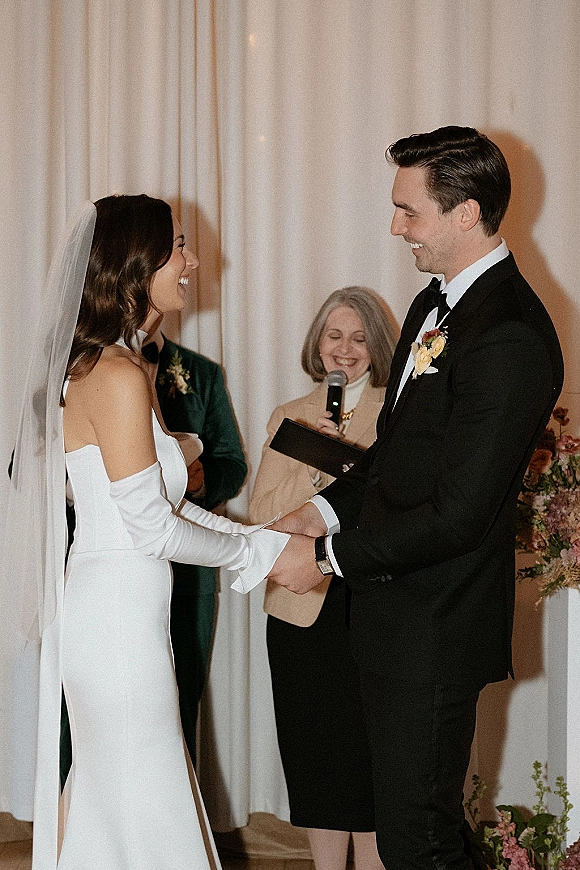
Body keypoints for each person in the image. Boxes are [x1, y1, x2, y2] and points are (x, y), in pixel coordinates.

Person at [266, 127, 564, 870]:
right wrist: (322, 510)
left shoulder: (510, 335)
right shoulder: (437, 304)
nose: (395, 226)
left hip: (435, 624)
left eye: (410, 211)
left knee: (416, 840)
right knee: (413, 829)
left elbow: (460, 511)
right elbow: (396, 459)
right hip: (394, 623)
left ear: (466, 213)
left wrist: (326, 557)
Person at [3, 194, 288, 870]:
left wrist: (256, 542)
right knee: (141, 789)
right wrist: (255, 550)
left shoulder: (109, 366)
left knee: (118, 792)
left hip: (120, 610)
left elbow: (157, 511)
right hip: (117, 621)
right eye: (177, 248)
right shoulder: (117, 374)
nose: (191, 261)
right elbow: (152, 527)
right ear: (137, 266)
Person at [249, 287, 395, 870]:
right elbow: (262, 512)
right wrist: (316, 472)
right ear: (317, 343)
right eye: (334, 336)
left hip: (373, 604)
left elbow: (403, 509)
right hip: (299, 612)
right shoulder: (290, 417)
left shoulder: (398, 412)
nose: (345, 350)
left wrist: (351, 471)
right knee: (316, 757)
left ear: (377, 347)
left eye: (360, 338)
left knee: (372, 758)